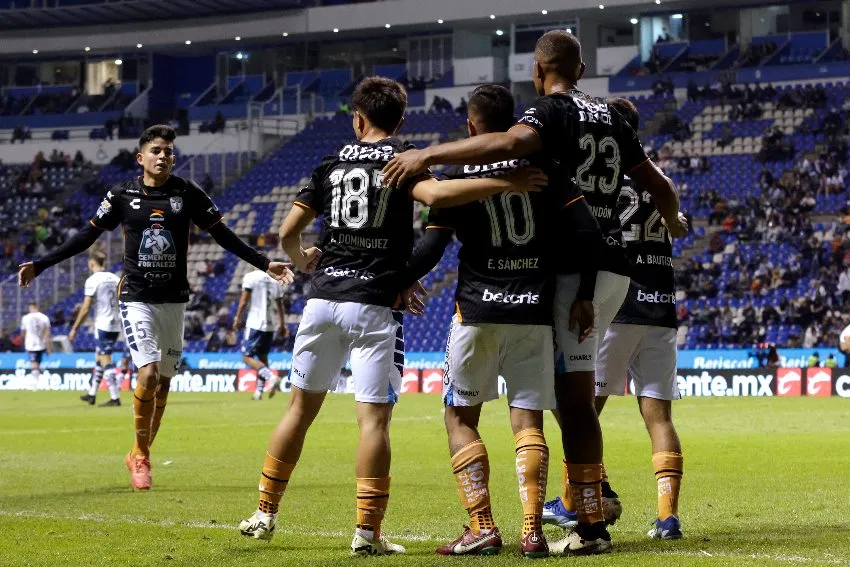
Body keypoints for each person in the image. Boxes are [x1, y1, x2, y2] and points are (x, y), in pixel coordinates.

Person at [382, 30, 685, 555]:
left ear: (538, 71)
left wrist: (427, 154)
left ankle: (588, 524)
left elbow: (512, 144)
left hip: (573, 271)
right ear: (583, 67)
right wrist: (675, 220)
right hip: (616, 268)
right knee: (574, 395)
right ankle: (579, 511)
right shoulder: (613, 115)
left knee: (573, 399)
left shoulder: (549, 115)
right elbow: (658, 185)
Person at [238, 76, 547, 555]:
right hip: (373, 303)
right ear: (400, 120)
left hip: (321, 301)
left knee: (299, 411)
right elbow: (441, 199)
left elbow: (287, 231)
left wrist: (302, 259)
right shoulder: (403, 160)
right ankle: (367, 533)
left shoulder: (330, 163)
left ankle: (264, 511)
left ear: (357, 117)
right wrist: (509, 181)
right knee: (373, 423)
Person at [18, 124, 294, 491]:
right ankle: (141, 455)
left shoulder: (187, 192)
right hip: (136, 297)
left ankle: (139, 451)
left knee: (163, 384)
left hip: (174, 300)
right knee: (147, 374)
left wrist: (264, 263)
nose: (163, 156)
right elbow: (87, 237)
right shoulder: (121, 195)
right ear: (141, 157)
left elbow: (223, 236)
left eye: (168, 151)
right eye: (156, 150)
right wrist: (42, 263)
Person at [400, 84, 585, 558]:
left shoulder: (458, 181)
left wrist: (393, 282)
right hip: (534, 315)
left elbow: (430, 250)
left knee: (459, 417)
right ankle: (532, 531)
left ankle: (482, 526)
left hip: (477, 313)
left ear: (471, 126)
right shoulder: (545, 170)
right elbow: (586, 232)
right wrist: (582, 294)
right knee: (528, 422)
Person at [548, 97, 685, 540]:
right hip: (662, 307)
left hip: (619, 303)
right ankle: (667, 518)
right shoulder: (658, 179)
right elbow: (676, 221)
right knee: (659, 417)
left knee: (579, 406)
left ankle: (582, 496)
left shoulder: (602, 178)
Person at [70, 251, 123, 407]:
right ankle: (92, 394)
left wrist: (74, 328)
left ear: (91, 263)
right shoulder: (115, 278)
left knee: (105, 356)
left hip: (103, 324)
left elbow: (86, 308)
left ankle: (115, 397)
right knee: (99, 357)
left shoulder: (93, 280)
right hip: (116, 322)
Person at [233, 267, 287, 401]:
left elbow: (244, 301)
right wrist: (282, 324)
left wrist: (237, 317)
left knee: (246, 357)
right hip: (270, 324)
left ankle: (271, 377)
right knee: (263, 357)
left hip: (255, 323)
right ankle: (258, 392)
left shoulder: (251, 277)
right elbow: (280, 304)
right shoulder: (276, 280)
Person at [21, 302, 51, 389]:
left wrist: (23, 342)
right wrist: (48, 346)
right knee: (38, 363)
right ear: (37, 307)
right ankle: (37, 381)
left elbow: (23, 332)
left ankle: (35, 383)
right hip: (41, 344)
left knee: (34, 363)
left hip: (30, 344)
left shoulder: (25, 318)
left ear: (31, 308)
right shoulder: (45, 318)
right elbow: (47, 333)